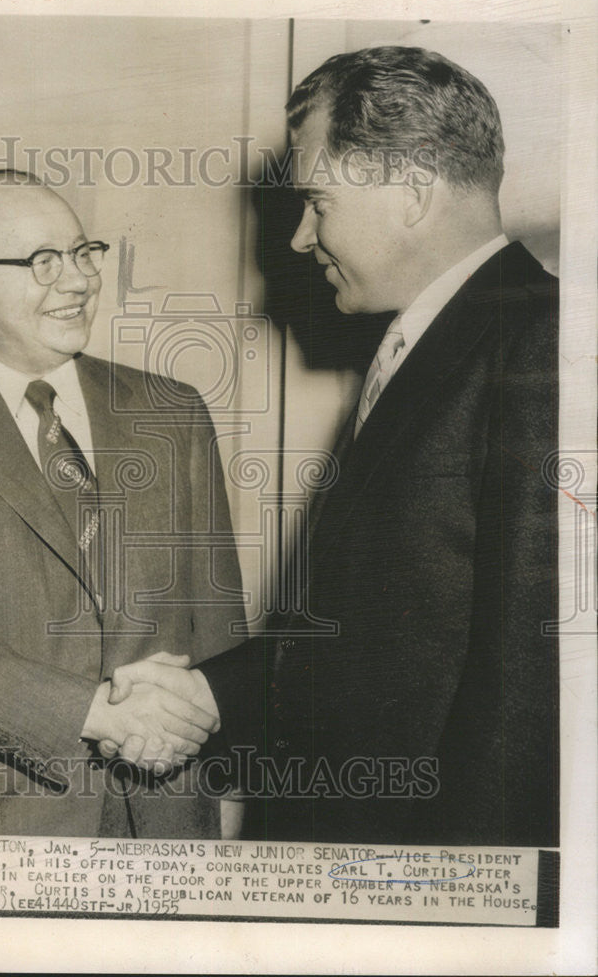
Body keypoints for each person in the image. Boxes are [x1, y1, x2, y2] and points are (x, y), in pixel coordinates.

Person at [103, 46, 559, 848]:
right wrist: (211, 695)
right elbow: (388, 635)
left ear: (412, 194)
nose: (297, 239)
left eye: (316, 201)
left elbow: (529, 673)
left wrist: (479, 908)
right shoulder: (441, 342)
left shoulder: (540, 343)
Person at [0, 169, 245, 838]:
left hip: (164, 814)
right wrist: (97, 715)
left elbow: (215, 618)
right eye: (41, 261)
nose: (75, 280)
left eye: (82, 254)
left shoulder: (174, 411)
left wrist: (205, 719)